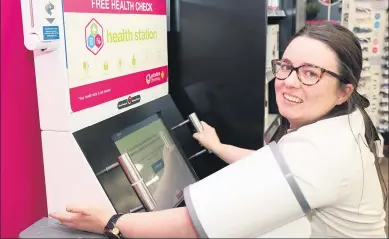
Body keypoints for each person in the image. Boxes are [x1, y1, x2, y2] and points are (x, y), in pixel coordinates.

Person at [50, 23, 387, 238]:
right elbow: (275, 165)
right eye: (285, 67)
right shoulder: (341, 124)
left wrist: (112, 222)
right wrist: (218, 146)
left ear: (345, 89)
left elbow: (192, 227)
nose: (288, 82)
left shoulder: (321, 154)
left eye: (310, 73)